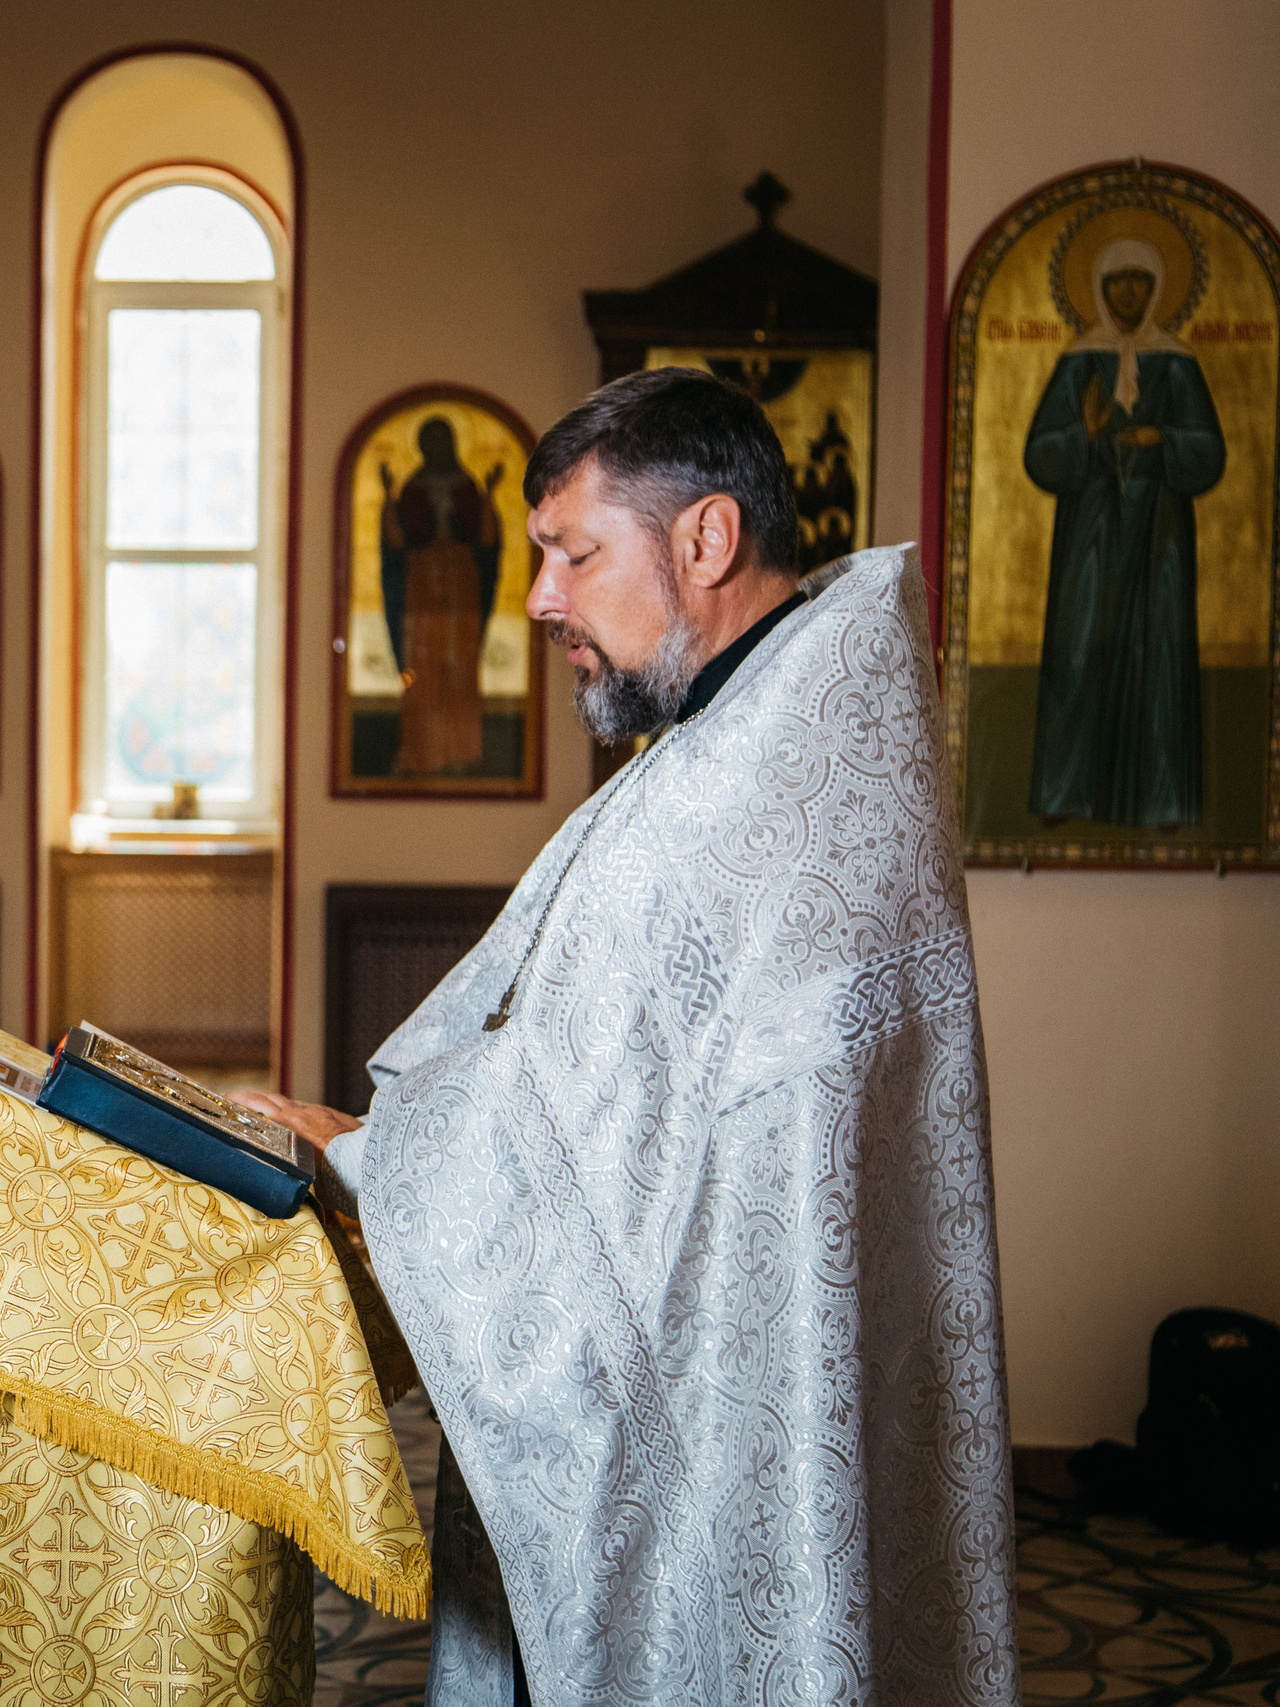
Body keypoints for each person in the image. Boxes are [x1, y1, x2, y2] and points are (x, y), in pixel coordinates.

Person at [238, 367, 1014, 1706]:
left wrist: (364, 1155)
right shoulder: (768, 727)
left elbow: (586, 1157)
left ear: (704, 540)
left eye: (572, 554)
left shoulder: (755, 794)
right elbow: (608, 1106)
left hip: (725, 1420)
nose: (539, 599)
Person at [1024, 236, 1225, 829]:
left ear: (1158, 288)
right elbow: (1039, 453)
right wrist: (1083, 433)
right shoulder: (1078, 361)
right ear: (1100, 290)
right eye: (1117, 282)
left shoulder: (1177, 362)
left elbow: (1210, 451)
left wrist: (1164, 440)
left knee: (1160, 650)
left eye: (1140, 280)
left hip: (1160, 529)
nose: (1129, 292)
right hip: (1089, 531)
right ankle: (1065, 795)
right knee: (1078, 647)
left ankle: (1163, 801)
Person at [379, 418, 505, 774]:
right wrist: (388, 497)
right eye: (429, 439)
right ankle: (422, 753)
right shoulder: (411, 488)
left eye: (441, 439)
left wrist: (488, 497)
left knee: (460, 664)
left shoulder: (468, 486)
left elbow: (485, 541)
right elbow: (398, 543)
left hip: (462, 585)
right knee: (423, 667)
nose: (435, 446)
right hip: (422, 586)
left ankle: (461, 754)